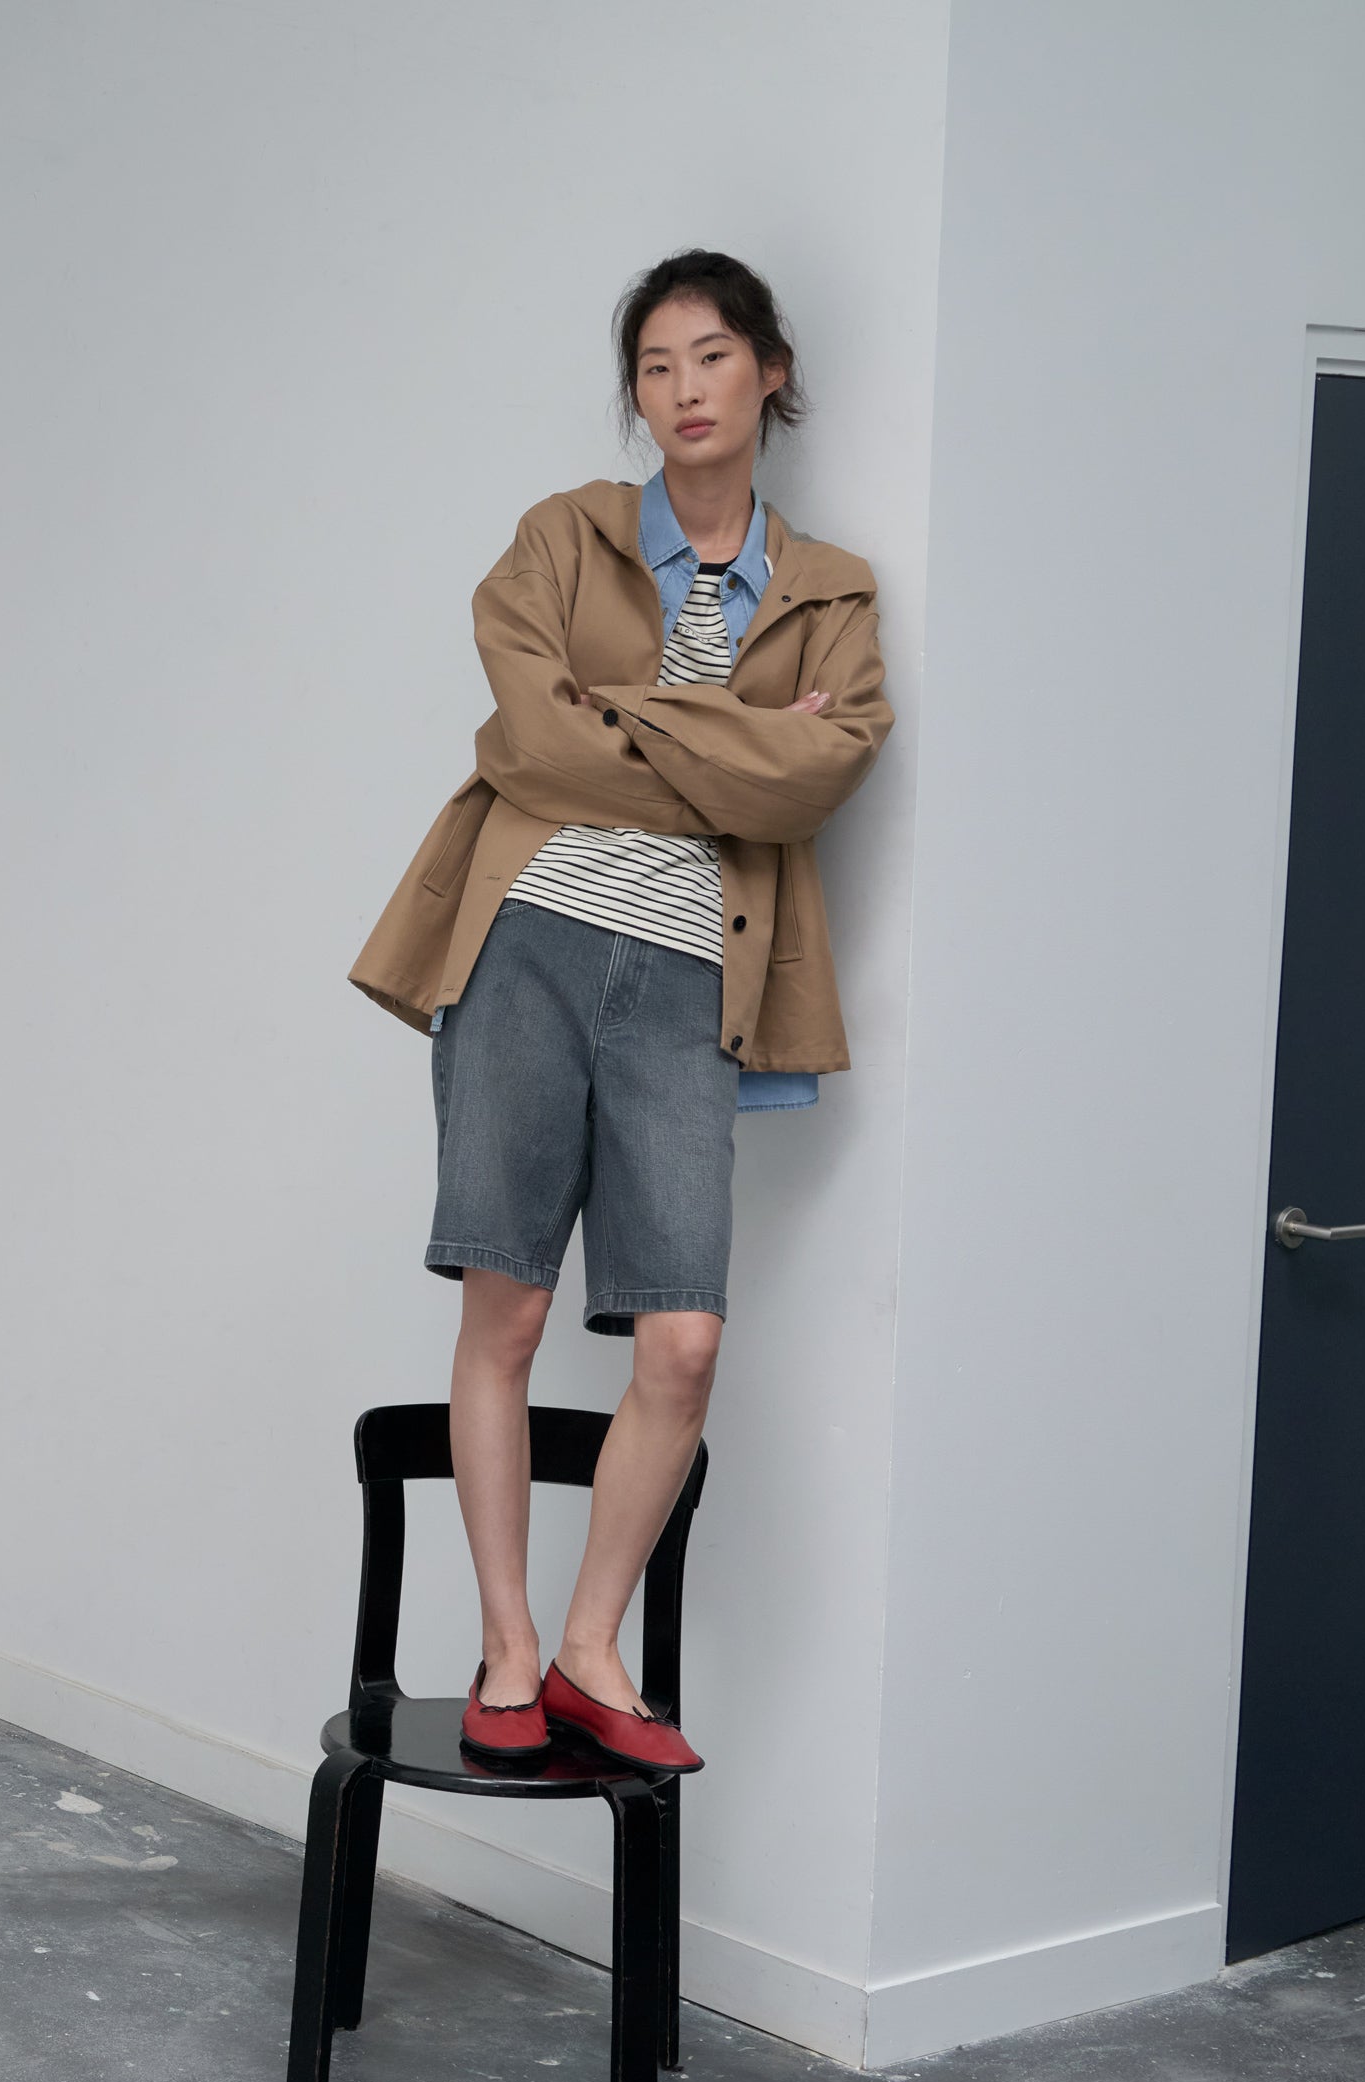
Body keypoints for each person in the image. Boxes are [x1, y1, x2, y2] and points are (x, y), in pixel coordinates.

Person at [346, 248, 895, 1775]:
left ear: (770, 372)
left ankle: (593, 1643)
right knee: (509, 1309)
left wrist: (632, 722)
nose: (683, 390)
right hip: (524, 943)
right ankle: (509, 1647)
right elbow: (531, 747)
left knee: (684, 1344)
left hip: (689, 981)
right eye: (655, 366)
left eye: (711, 357)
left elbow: (820, 777)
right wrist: (735, 739)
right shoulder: (561, 538)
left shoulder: (832, 589)